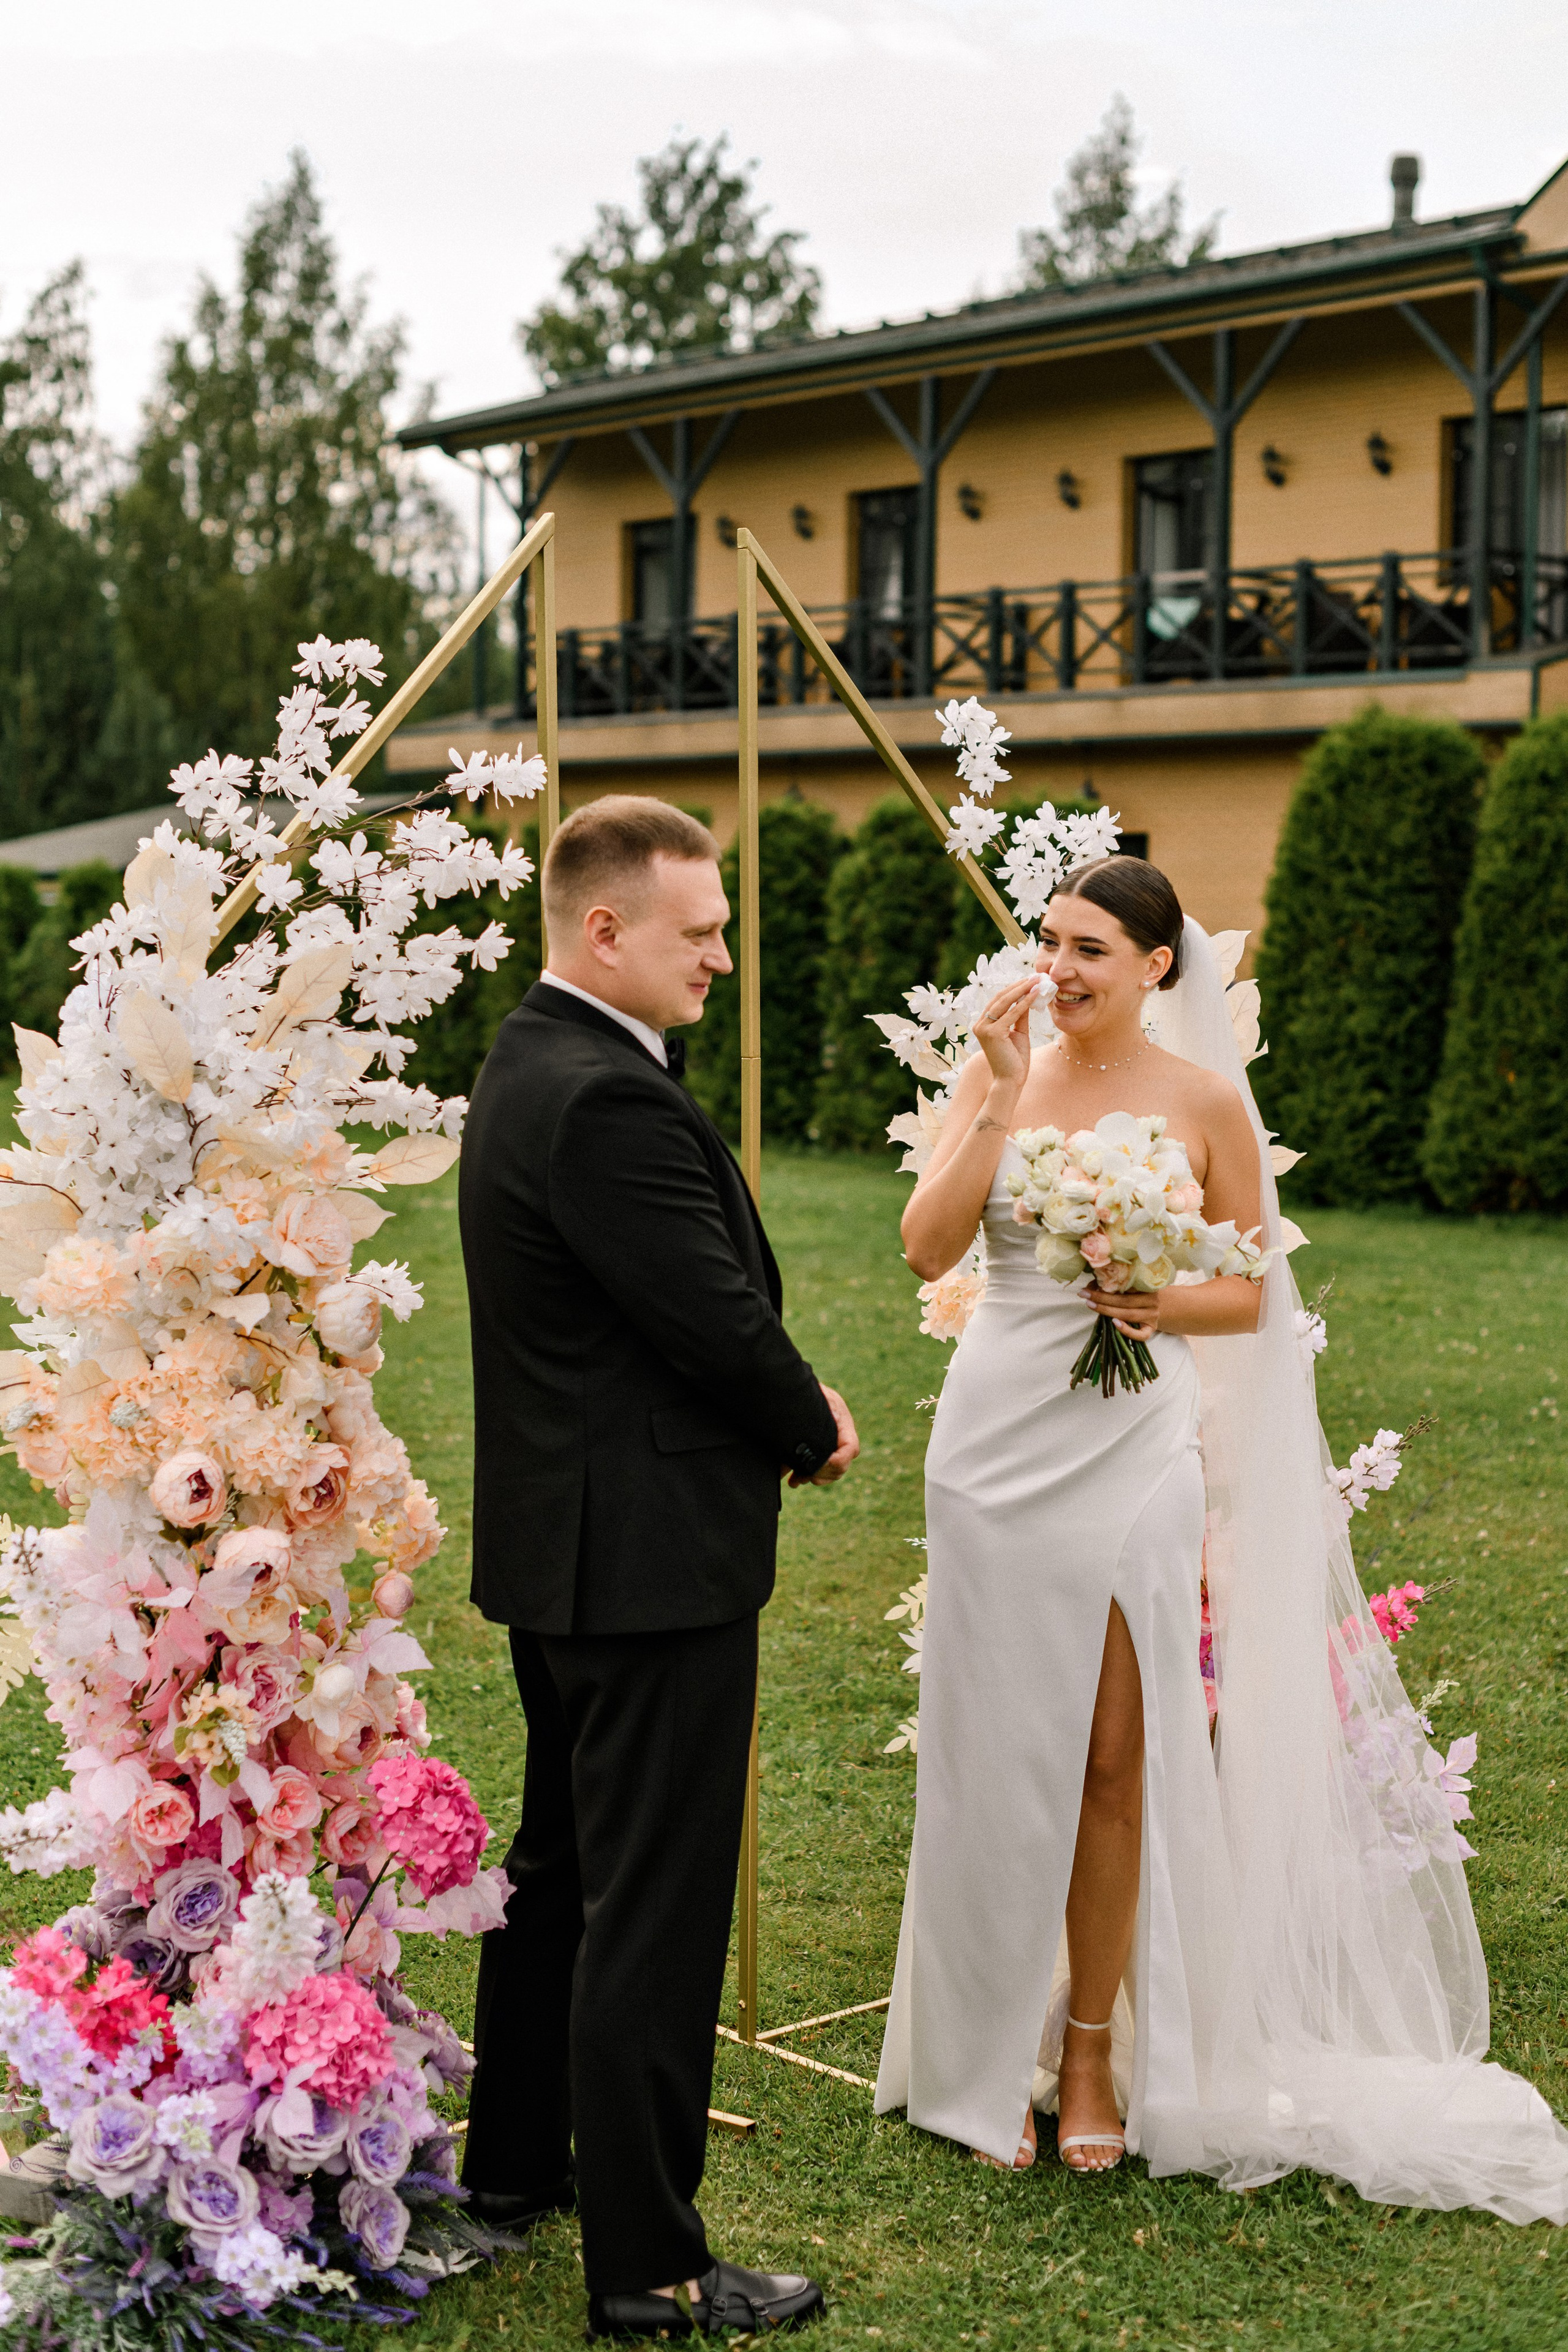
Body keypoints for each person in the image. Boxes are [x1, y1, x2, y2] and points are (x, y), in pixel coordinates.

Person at [875, 858, 1568, 2222]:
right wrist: (998, 1093)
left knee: (1116, 1760)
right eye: (1047, 941)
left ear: (1154, 968)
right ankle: (968, 2056)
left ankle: (1089, 2063)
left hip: (1130, 1455)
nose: (1057, 969)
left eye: (1087, 950)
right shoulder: (1001, 1072)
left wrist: (1146, 1298)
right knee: (988, 1745)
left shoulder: (1202, 1102)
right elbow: (921, 1243)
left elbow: (1244, 1291)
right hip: (990, 1448)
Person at [458, 796, 856, 2339]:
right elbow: (705, 1312)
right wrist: (806, 1417)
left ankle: (513, 2172)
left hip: (572, 1557)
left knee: (559, 1873)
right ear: (603, 928)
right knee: (655, 1904)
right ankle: (651, 2266)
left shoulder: (525, 1059)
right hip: (648, 1566)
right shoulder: (604, 1099)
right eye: (699, 933)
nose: (725, 956)